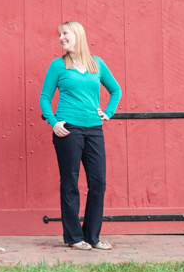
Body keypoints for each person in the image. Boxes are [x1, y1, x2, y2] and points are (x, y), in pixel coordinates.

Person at [39, 21, 122, 251]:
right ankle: (75, 238)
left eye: (65, 33)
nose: (61, 38)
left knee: (98, 182)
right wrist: (54, 122)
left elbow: (115, 90)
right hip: (69, 130)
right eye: (59, 35)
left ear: (78, 35)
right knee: (70, 183)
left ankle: (92, 237)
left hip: (94, 129)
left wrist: (108, 112)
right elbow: (45, 98)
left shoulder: (97, 64)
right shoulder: (58, 66)